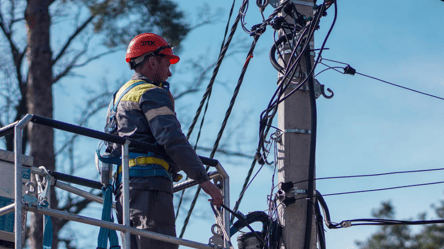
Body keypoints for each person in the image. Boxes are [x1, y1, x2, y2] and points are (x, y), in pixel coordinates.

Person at [106, 33, 223, 249]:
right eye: (167, 64)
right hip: (150, 188)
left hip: (125, 192)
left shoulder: (119, 96)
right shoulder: (151, 92)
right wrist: (203, 179)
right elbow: (171, 138)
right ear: (152, 62)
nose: (169, 73)